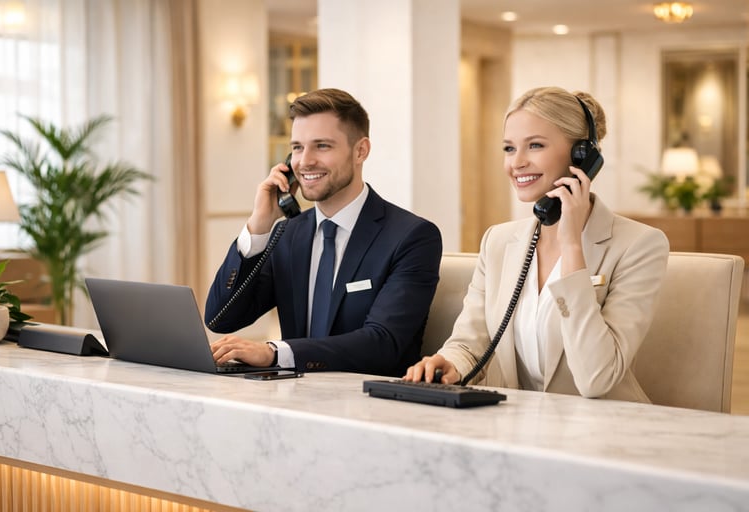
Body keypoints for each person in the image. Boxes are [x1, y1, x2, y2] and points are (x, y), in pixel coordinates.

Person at [405, 86, 669, 402]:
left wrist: (572, 246)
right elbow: (470, 343)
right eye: (509, 148)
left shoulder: (640, 246)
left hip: (601, 425)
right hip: (514, 420)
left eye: (535, 145)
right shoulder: (498, 241)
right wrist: (449, 364)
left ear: (582, 156)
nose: (516, 163)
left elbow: (596, 378)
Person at [205, 88, 442, 377]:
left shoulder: (412, 237)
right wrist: (259, 225)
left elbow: (383, 343)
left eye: (322, 146)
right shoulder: (288, 234)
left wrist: (275, 353)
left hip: (369, 399)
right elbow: (220, 318)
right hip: (293, 397)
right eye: (297, 147)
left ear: (360, 151)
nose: (305, 161)